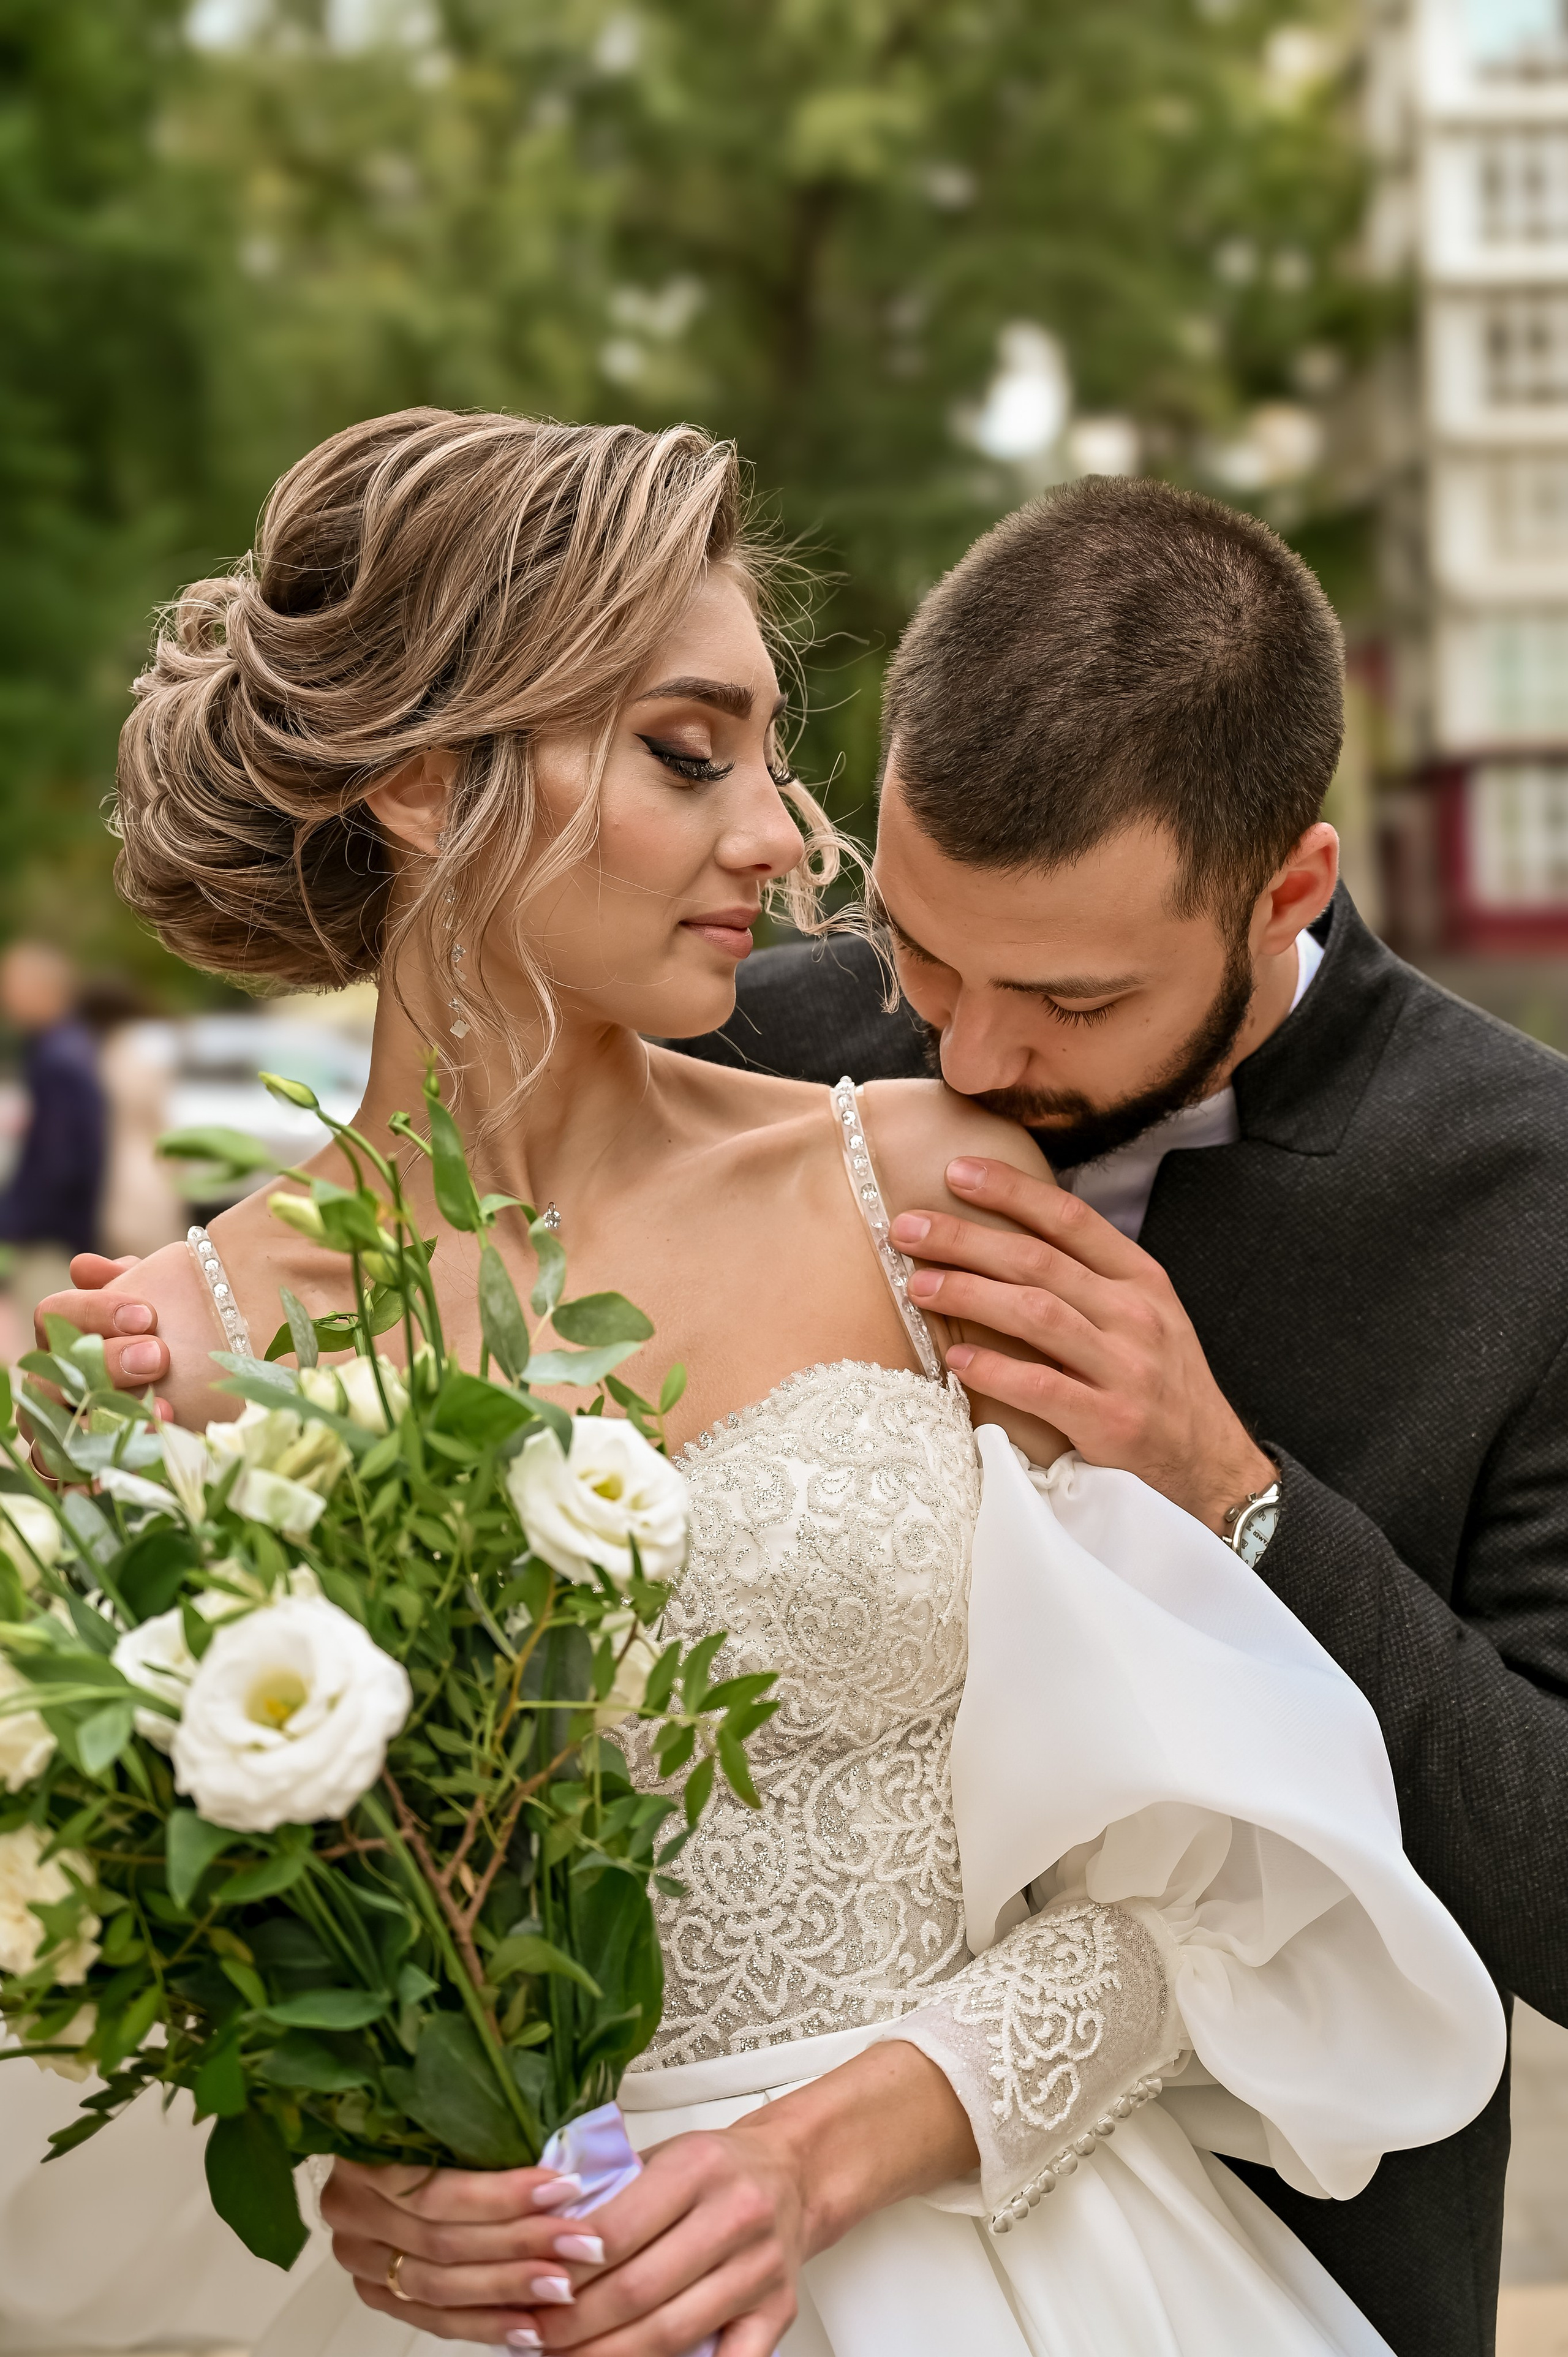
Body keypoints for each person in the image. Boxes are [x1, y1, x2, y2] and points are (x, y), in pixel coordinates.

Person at [31, 417, 1504, 2357]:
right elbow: (146, 1991)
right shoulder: (166, 1353)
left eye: (765, 750)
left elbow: (1210, 1897)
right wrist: (351, 2159)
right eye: (683, 751)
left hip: (990, 2269)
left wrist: (821, 2151)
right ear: (410, 775)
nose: (782, 837)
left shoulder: (921, 1180)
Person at [0, 941, 105, 1319]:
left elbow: (60, 1164)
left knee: (53, 1343)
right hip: (60, 1233)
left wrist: (15, 1221)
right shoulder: (64, 1048)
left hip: (52, 1239)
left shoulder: (58, 1059)